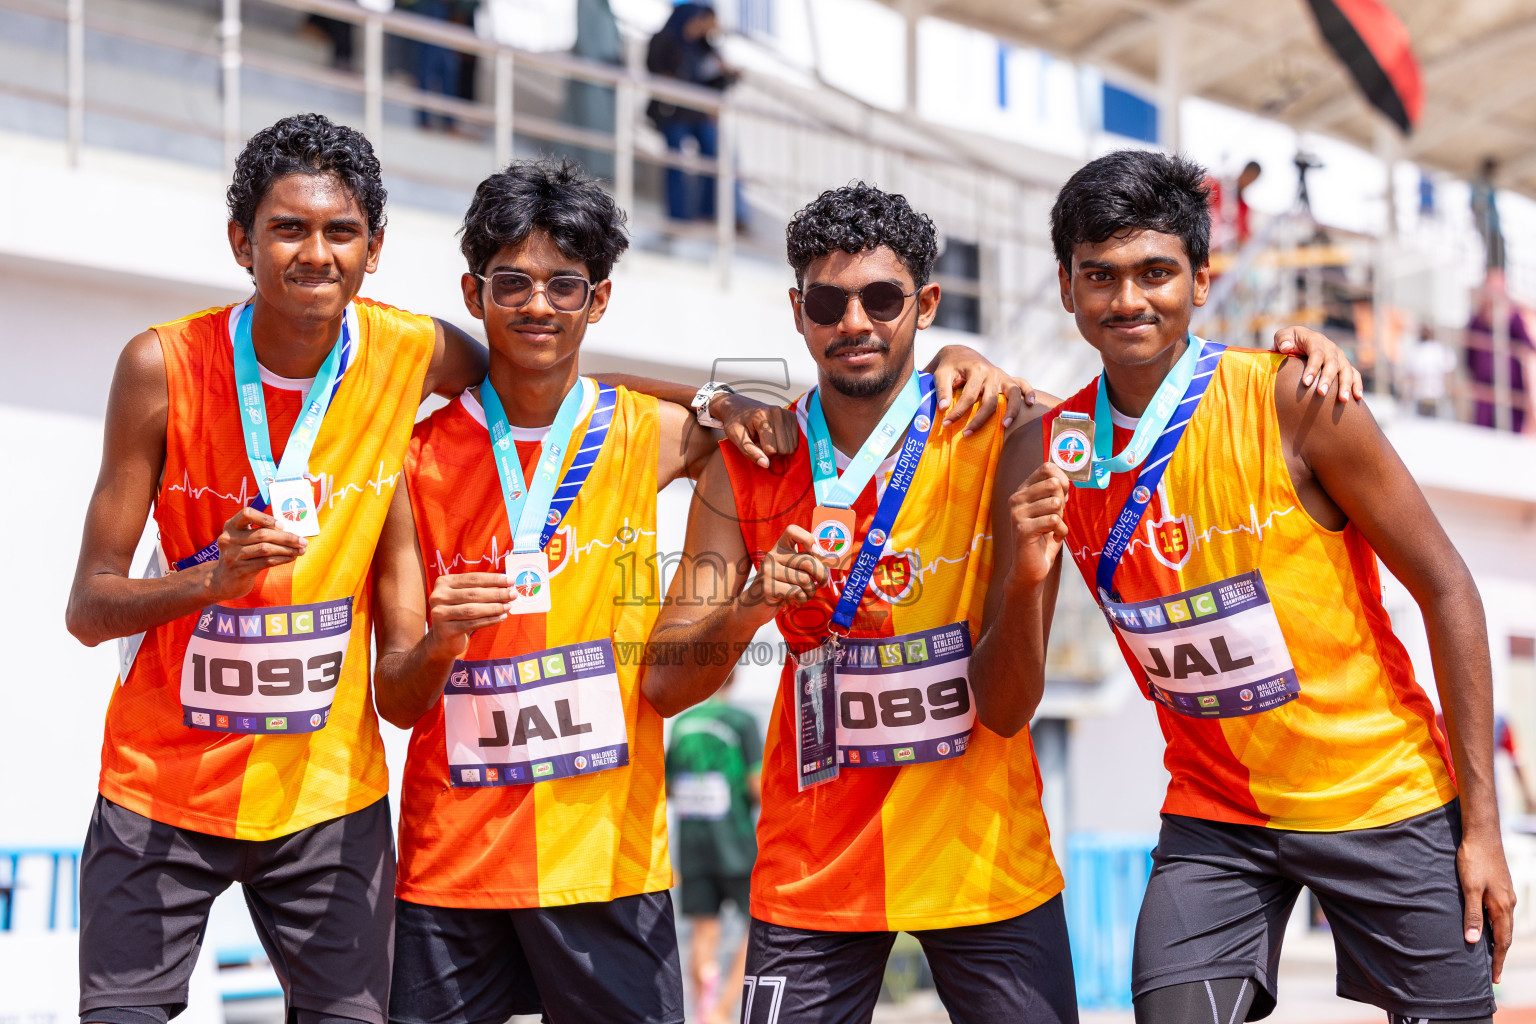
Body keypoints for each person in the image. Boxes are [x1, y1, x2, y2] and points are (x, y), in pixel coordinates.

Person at [368, 161, 1025, 1024]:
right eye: (512, 284)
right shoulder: (408, 461)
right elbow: (397, 695)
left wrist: (730, 400)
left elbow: (721, 419)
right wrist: (442, 645)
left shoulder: (660, 437)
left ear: (597, 301)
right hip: (445, 870)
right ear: (473, 290)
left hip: (610, 870)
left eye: (565, 285)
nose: (538, 305)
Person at [1009, 149, 1514, 1024]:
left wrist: (1483, 828)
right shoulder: (1048, 450)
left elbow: (1449, 587)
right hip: (1216, 819)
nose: (1128, 300)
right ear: (1066, 288)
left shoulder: (1298, 399)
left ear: (1203, 279)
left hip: (1383, 796)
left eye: (1156, 272)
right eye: (1101, 276)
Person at [64, 112, 491, 1024]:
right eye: (287, 228)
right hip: (160, 782)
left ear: (373, 250)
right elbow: (88, 606)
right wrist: (205, 582)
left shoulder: (409, 350)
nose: (315, 253)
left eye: (340, 232)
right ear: (240, 241)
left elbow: (547, 382)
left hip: (327, 795)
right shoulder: (161, 366)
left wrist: (702, 402)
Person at [665, 671, 762, 1024]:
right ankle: (723, 1010)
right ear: (734, 678)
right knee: (757, 927)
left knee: (704, 929)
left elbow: (670, 787)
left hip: (692, 845)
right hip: (736, 844)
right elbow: (756, 785)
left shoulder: (682, 724)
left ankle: (705, 1014)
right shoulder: (741, 722)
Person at [645, 2, 743, 224]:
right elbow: (658, 74)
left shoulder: (705, 47)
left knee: (715, 159)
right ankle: (677, 217)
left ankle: (708, 213)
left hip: (699, 114)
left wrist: (727, 74)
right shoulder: (663, 40)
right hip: (673, 113)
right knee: (676, 164)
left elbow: (711, 80)